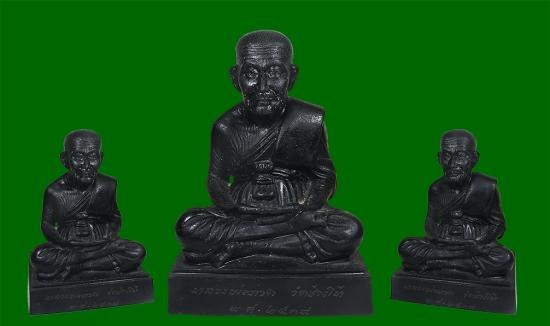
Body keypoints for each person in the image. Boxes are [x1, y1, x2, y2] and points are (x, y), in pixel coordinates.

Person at [176, 30, 362, 266]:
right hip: (246, 213)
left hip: (296, 208)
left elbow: (325, 175)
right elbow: (216, 179)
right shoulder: (225, 127)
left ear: (291, 77)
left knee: (348, 229)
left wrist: (307, 207)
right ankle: (285, 239)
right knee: (189, 225)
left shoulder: (308, 120)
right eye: (251, 73)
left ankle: (246, 248)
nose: (263, 86)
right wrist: (233, 207)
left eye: (274, 73)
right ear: (235, 78)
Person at [31, 130, 145, 281]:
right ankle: (98, 266)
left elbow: (114, 218)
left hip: (100, 243)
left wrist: (108, 235)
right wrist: (63, 241)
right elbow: (47, 225)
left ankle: (77, 269)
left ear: (100, 158)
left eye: (92, 157)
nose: (86, 165)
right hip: (70, 246)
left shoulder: (107, 185)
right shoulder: (55, 191)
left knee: (137, 251)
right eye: (78, 157)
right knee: (39, 256)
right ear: (65, 160)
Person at [399, 130, 513, 278]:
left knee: (504, 258)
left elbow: (498, 225)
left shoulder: (486, 186)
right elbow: (430, 222)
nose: (452, 164)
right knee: (406, 246)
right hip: (446, 244)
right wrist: (438, 236)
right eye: (447, 156)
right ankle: (463, 265)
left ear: (474, 158)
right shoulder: (436, 189)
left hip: (474, 243)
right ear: (439, 158)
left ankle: (438, 264)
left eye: (460, 156)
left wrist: (479, 241)